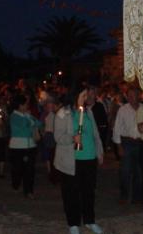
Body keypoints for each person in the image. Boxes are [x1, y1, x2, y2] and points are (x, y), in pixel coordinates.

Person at [54, 89, 104, 234]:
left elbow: (95, 134)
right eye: (83, 95)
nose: (86, 97)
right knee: (71, 193)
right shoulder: (64, 113)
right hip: (72, 160)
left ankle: (89, 220)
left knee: (88, 191)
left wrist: (99, 151)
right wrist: (72, 138)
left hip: (89, 157)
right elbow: (58, 137)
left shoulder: (88, 112)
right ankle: (73, 223)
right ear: (75, 97)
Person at [8, 94, 42, 198]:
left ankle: (29, 191)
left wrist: (30, 120)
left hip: (30, 145)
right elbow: (24, 127)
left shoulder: (27, 115)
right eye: (25, 104)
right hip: (17, 146)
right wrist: (30, 121)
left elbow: (38, 123)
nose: (27, 106)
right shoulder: (14, 116)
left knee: (30, 170)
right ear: (19, 105)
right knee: (17, 169)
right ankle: (16, 185)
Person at [112, 87, 141, 204]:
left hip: (140, 142)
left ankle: (137, 197)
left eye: (134, 95)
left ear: (139, 96)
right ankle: (124, 195)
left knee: (139, 172)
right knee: (125, 171)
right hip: (127, 142)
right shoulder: (123, 110)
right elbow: (117, 128)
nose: (132, 98)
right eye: (129, 95)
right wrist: (119, 146)